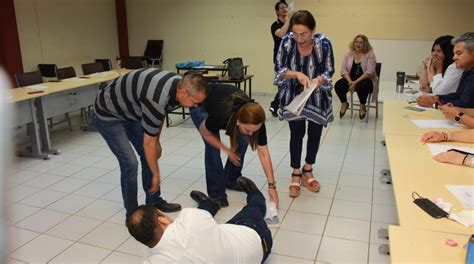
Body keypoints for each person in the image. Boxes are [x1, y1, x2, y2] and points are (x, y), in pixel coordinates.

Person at [91, 68, 208, 218]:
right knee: (130, 163)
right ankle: (133, 215)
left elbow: (159, 115)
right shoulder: (157, 96)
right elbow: (148, 143)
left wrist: (157, 141)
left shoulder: (176, 87)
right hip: (108, 114)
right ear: (183, 93)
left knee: (150, 155)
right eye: (194, 102)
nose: (195, 106)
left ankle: (153, 201)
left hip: (131, 111)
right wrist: (156, 175)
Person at [126, 176, 273, 263]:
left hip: (230, 245)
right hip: (256, 241)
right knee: (252, 209)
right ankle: (254, 192)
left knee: (210, 226)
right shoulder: (190, 220)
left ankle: (207, 202)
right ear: (162, 220)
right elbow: (202, 216)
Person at [274, 10, 334, 198]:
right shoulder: (286, 41)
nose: (299, 39)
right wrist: (297, 74)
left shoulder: (324, 43)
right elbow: (280, 68)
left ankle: (308, 169)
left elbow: (329, 70)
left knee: (315, 133)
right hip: (293, 95)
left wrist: (316, 80)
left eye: (304, 34)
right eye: (295, 34)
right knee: (297, 133)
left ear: (313, 30)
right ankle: (295, 172)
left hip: (316, 95)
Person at [189, 83, 279, 208]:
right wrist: (228, 151)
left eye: (254, 130)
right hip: (201, 102)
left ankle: (231, 179)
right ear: (237, 121)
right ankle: (216, 194)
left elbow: (263, 153)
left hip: (225, 102)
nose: (252, 133)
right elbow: (206, 133)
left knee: (243, 140)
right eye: (248, 130)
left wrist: (271, 186)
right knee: (213, 148)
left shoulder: (255, 120)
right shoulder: (220, 116)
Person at [417, 32, 474, 109]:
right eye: (454, 54)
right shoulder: (467, 71)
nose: (454, 58)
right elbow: (457, 95)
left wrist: (435, 103)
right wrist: (437, 98)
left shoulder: (460, 69)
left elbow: (464, 103)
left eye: (459, 53)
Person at [334, 34, 377, 119]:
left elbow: (369, 72)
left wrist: (355, 83)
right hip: (351, 79)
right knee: (338, 85)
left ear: (365, 44)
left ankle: (362, 106)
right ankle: (344, 103)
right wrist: (350, 82)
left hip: (366, 79)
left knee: (363, 86)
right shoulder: (349, 52)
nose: (358, 44)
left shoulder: (370, 54)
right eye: (356, 42)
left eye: (361, 43)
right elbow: (343, 70)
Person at [269, 1, 293, 117]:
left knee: (290, 84)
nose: (284, 9)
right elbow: (281, 34)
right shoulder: (275, 25)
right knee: (282, 84)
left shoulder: (292, 25)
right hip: (280, 60)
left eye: (286, 7)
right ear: (277, 11)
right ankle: (276, 105)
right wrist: (289, 20)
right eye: (281, 8)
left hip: (292, 59)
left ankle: (277, 105)